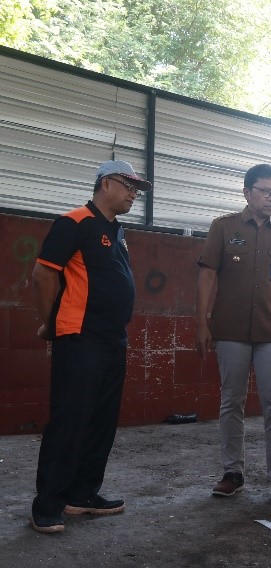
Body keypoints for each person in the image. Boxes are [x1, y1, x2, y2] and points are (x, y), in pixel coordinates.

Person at [29, 160, 152, 534]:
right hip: (80, 338)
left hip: (112, 339)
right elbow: (43, 273)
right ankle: (47, 505)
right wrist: (51, 322)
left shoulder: (117, 231)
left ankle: (81, 494)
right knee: (70, 421)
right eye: (128, 186)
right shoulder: (74, 222)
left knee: (102, 421)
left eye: (137, 189)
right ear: (105, 184)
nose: (134, 194)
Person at [196, 163, 271, 506]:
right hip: (230, 329)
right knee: (232, 400)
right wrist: (202, 324)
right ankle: (232, 473)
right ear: (247, 192)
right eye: (265, 191)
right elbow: (207, 276)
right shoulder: (223, 227)